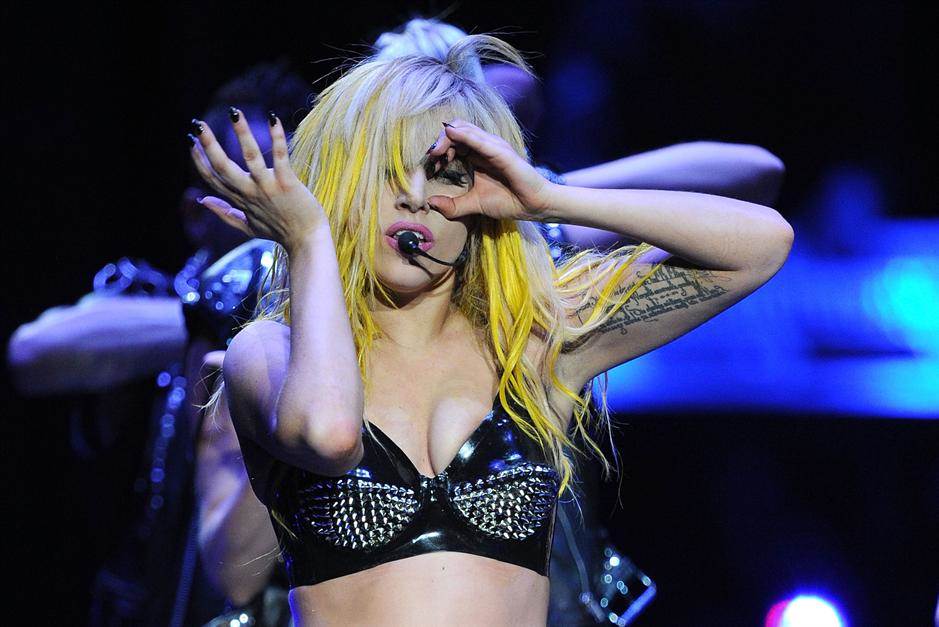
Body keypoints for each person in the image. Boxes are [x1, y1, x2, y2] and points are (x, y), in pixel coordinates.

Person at [189, 31, 793, 626]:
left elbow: (761, 246)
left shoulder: (533, 342)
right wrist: (309, 238)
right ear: (340, 186)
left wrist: (547, 199)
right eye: (388, 172)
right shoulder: (268, 351)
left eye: (448, 174)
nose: (417, 198)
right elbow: (331, 435)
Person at [7, 60, 308, 626]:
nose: (273, 206)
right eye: (248, 186)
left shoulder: (318, 334)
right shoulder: (147, 298)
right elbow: (30, 352)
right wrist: (215, 310)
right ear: (195, 213)